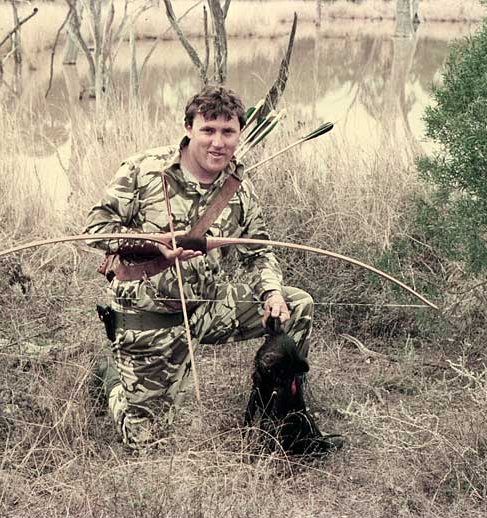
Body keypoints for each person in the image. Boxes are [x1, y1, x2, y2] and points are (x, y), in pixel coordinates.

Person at [85, 85, 325, 449]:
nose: (218, 142)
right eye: (208, 130)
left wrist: (273, 293)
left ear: (239, 134)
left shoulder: (239, 189)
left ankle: (277, 416)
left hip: (209, 306)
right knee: (146, 441)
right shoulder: (143, 170)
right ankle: (114, 383)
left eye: (228, 132)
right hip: (151, 316)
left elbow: (259, 251)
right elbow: (96, 231)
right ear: (188, 128)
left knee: (298, 305)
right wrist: (156, 245)